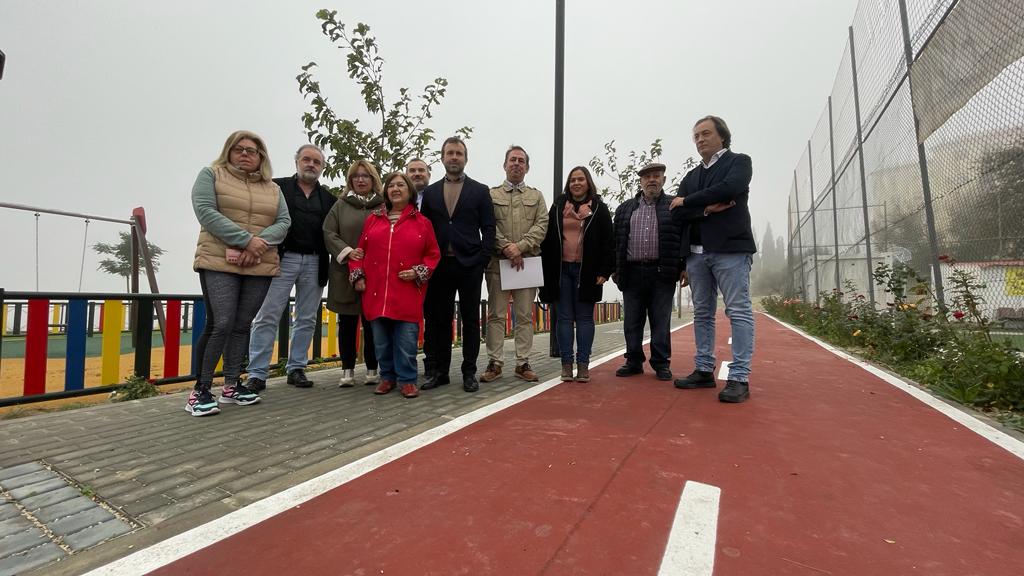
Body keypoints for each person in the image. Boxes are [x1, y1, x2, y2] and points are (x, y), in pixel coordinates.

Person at [188, 130, 291, 416]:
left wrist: (258, 245)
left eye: (252, 150)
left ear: (261, 157)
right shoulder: (211, 175)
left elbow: (283, 222)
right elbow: (206, 212)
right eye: (239, 149)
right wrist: (247, 240)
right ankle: (201, 389)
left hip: (259, 262)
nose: (245, 154)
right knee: (220, 322)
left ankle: (232, 385)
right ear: (229, 151)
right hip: (220, 260)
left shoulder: (272, 188)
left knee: (242, 324)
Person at [670, 115, 756, 403]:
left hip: (730, 251)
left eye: (705, 133)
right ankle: (704, 369)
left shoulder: (739, 163)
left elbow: (729, 190)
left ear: (722, 136)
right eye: (696, 136)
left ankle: (739, 377)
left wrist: (689, 201)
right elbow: (677, 212)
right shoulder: (691, 177)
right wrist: (706, 210)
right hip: (696, 256)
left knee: (738, 311)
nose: (700, 139)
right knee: (702, 313)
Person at [245, 145, 335, 391]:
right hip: (281, 259)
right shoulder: (276, 187)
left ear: (322, 167)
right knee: (267, 316)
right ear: (296, 161)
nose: (311, 165)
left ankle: (296, 368)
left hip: (315, 262)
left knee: (307, 318)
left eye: (317, 162)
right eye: (306, 159)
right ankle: (257, 374)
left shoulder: (328, 198)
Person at [349, 173, 440, 398]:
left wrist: (418, 271)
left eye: (401, 185)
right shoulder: (373, 220)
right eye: (391, 185)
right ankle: (387, 377)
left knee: (406, 341)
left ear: (409, 191)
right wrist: (357, 275)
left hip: (407, 291)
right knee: (381, 341)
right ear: (386, 191)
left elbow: (433, 254)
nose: (396, 189)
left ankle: (408, 380)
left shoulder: (423, 222)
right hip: (376, 291)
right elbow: (358, 253)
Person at [419, 136, 496, 393]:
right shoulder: (429, 193)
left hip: (469, 265)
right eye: (450, 153)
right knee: (437, 320)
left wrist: (482, 259)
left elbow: (488, 228)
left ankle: (469, 372)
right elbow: (424, 230)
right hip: (438, 265)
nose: (454, 157)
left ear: (465, 158)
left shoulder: (480, 190)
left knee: (471, 320)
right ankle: (438, 372)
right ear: (442, 158)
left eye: (459, 153)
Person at [539, 166, 614, 382]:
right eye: (573, 180)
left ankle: (583, 365)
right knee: (563, 319)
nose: (576, 183)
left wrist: (605, 271)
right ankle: (566, 364)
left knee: (584, 319)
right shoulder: (558, 206)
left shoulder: (599, 208)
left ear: (588, 182)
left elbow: (608, 242)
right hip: (561, 270)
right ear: (568, 184)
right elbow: (547, 239)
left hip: (588, 272)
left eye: (581, 179)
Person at [612, 162, 686, 382]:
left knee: (660, 321)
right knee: (632, 321)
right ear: (641, 181)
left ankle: (661, 363)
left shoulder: (674, 205)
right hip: (632, 272)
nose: (652, 180)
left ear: (663, 179)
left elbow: (683, 239)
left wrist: (684, 267)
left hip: (662, 272)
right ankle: (633, 361)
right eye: (647, 177)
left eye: (656, 176)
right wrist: (616, 270)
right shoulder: (625, 208)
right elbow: (616, 241)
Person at [481, 146, 548, 384]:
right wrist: (507, 248)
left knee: (524, 316)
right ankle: (495, 363)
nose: (516, 164)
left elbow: (542, 226)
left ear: (527, 167)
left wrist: (520, 247)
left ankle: (523, 363)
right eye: (512, 160)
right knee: (496, 315)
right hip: (498, 264)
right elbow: (488, 225)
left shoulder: (537, 196)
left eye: (521, 161)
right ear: (504, 165)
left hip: (526, 264)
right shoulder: (491, 195)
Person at [323, 160, 384, 387]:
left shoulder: (383, 205)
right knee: (347, 323)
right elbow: (329, 232)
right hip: (344, 273)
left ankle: (372, 368)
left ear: (373, 179)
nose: (360, 180)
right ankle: (347, 369)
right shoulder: (340, 206)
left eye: (365, 176)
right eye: (356, 176)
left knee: (373, 324)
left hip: (375, 274)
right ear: (350, 181)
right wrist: (348, 252)